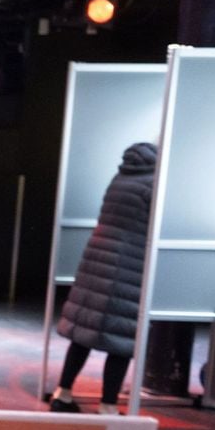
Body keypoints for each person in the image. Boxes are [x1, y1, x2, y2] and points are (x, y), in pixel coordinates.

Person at [51, 141, 157, 414]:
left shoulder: (120, 177)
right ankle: (108, 405)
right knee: (121, 339)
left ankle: (62, 394)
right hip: (128, 264)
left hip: (97, 258)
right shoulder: (152, 185)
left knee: (83, 332)